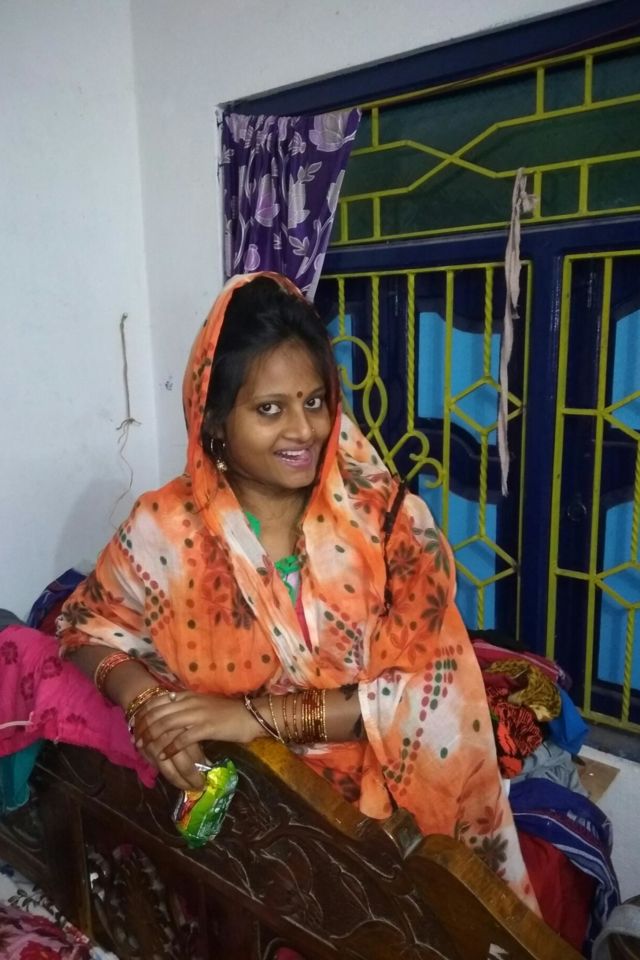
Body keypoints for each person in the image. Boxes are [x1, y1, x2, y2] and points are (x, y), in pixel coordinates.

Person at [57, 271, 537, 910]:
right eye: (270, 409)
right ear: (214, 418)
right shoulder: (165, 528)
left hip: (378, 819)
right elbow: (85, 627)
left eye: (314, 402)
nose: (304, 430)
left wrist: (248, 718)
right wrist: (145, 702)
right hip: (237, 820)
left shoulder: (387, 522)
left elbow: (427, 693)